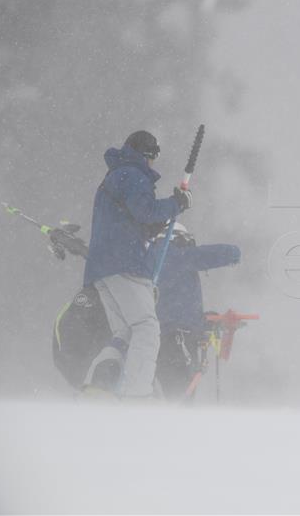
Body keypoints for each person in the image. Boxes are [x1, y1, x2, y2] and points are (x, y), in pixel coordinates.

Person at [82, 130, 192, 398]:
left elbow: (136, 219)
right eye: (153, 159)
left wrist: (160, 219)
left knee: (124, 333)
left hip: (102, 267)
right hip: (124, 263)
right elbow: (146, 211)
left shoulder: (116, 175)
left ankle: (96, 389)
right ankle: (136, 396)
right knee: (146, 328)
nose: (153, 165)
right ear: (148, 155)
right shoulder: (133, 174)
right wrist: (176, 203)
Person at [146, 223, 241, 400]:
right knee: (180, 398)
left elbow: (171, 305)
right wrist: (235, 253)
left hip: (155, 340)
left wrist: (205, 320)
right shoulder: (175, 254)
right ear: (177, 238)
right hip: (177, 342)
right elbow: (213, 255)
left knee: (162, 396)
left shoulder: (149, 259)